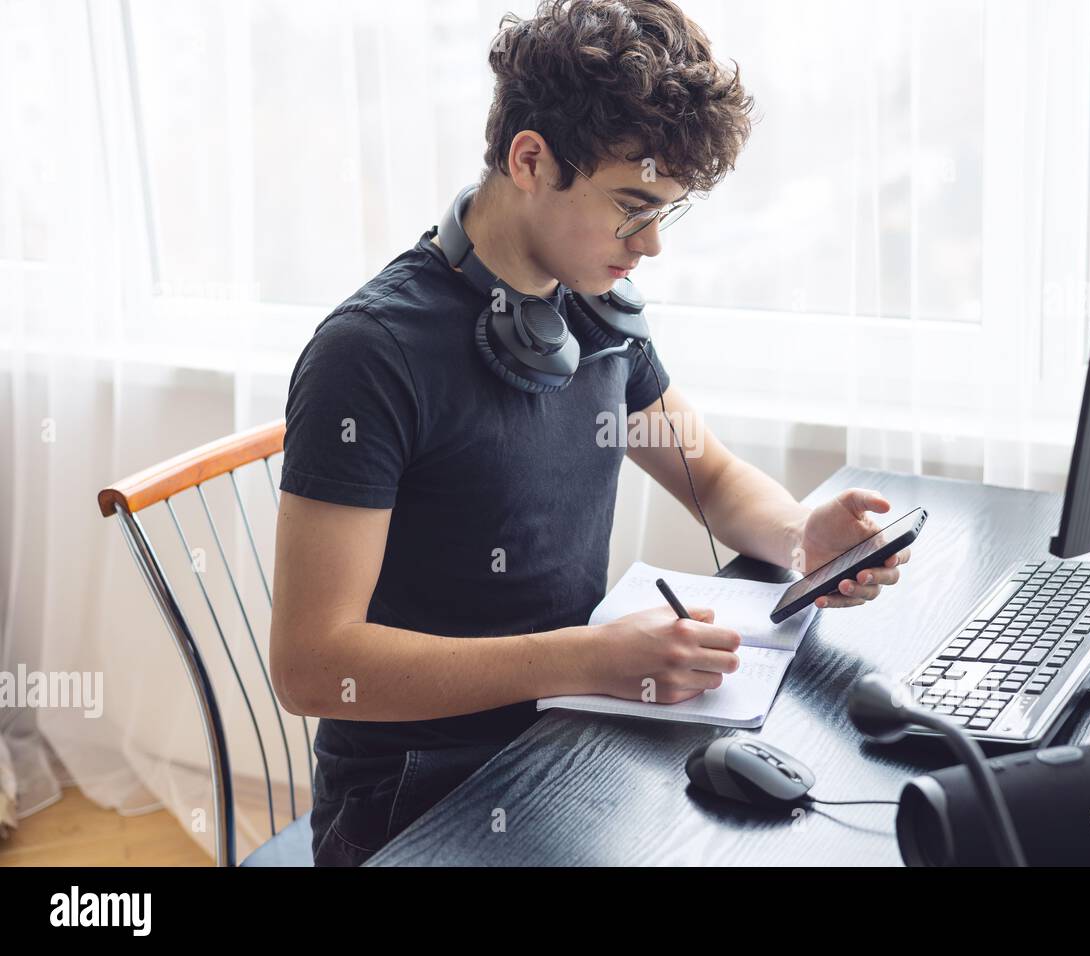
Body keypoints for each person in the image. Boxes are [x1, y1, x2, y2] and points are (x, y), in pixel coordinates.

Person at [269, 0, 910, 867]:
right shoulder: (369, 355)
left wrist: (803, 535)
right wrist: (585, 662)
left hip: (571, 736)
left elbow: (711, 479)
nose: (650, 247)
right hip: (415, 796)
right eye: (631, 207)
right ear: (530, 158)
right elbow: (312, 666)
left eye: (666, 214)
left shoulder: (594, 314)